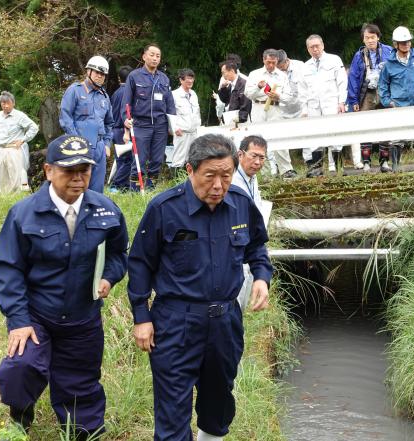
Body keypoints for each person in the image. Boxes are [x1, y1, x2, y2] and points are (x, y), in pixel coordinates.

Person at [127, 134, 272, 441]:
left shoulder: (240, 204)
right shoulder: (165, 209)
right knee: (172, 408)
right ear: (190, 170)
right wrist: (141, 316)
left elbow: (257, 247)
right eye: (210, 176)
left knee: (218, 401)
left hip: (224, 323)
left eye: (226, 175)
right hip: (175, 322)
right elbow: (139, 263)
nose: (218, 186)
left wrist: (261, 276)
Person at [0, 134, 129, 440]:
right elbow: (7, 268)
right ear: (49, 170)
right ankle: (20, 416)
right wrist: (19, 320)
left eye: (85, 170)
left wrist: (108, 276)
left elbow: (120, 253)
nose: (78, 179)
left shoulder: (106, 211)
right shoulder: (23, 213)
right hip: (38, 315)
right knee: (21, 367)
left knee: (80, 383)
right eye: (69, 171)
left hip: (83, 315)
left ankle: (80, 430)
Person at [378, 26, 414, 172]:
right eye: (403, 42)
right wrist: (387, 101)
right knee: (397, 138)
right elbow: (382, 84)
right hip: (399, 104)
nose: (406, 44)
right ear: (396, 44)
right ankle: (396, 168)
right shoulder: (389, 64)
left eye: (408, 41)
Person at [122, 44, 176, 191]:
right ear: (144, 56)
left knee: (157, 159)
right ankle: (135, 190)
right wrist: (125, 119)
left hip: (160, 125)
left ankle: (151, 189)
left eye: (158, 56)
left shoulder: (164, 78)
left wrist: (173, 125)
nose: (155, 58)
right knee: (139, 159)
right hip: (141, 124)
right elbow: (126, 101)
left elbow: (170, 103)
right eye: (152, 55)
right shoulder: (134, 76)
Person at [59, 55, 114, 193]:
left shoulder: (104, 96)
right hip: (78, 145)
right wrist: (76, 141)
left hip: (99, 147)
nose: (100, 76)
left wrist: (107, 144)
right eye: (97, 72)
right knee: (78, 187)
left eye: (103, 74)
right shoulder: (75, 90)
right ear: (88, 71)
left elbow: (109, 123)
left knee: (97, 190)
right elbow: (66, 118)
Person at [299, 34, 347, 176]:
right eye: (311, 47)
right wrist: (304, 109)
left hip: (332, 104)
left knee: (336, 135)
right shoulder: (306, 66)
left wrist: (341, 102)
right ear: (308, 49)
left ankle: (339, 169)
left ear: (322, 45)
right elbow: (302, 90)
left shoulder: (334, 60)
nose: (315, 49)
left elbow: (342, 82)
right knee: (315, 137)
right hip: (314, 106)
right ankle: (317, 170)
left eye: (317, 46)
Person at [346, 24, 392, 171]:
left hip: (385, 92)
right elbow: (353, 78)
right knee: (365, 126)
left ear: (378, 37)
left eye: (373, 37)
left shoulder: (389, 51)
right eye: (367, 38)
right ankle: (366, 161)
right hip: (367, 93)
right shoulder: (359, 55)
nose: (370, 40)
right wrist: (353, 100)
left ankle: (384, 161)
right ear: (363, 40)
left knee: (386, 125)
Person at [244, 49, 296, 179]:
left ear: (277, 61)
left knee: (279, 136)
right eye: (268, 62)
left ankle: (286, 170)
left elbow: (289, 96)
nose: (271, 65)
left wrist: (279, 96)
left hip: (275, 107)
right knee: (258, 139)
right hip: (258, 107)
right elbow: (248, 94)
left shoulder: (282, 75)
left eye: (273, 62)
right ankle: (264, 172)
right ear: (263, 60)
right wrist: (258, 87)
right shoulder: (255, 74)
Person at [232, 135, 269, 310]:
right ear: (240, 154)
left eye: (262, 158)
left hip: (251, 248)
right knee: (234, 303)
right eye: (253, 156)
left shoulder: (252, 178)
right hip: (236, 251)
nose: (257, 162)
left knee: (242, 306)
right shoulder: (231, 180)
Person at [0, 91, 38, 192]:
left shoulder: (19, 115)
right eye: (3, 103)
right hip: (2, 149)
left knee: (16, 178)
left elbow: (34, 127)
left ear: (13, 103)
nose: (5, 106)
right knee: (3, 177)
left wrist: (23, 140)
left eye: (7, 103)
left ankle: (18, 200)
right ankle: (5, 200)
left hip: (14, 149)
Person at [276, 49, 305, 178]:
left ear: (286, 61)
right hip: (282, 108)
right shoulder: (273, 72)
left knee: (305, 136)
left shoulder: (300, 66)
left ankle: (310, 164)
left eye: (281, 67)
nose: (279, 69)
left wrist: (306, 108)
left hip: (300, 107)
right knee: (280, 138)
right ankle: (285, 169)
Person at [170, 68, 201, 173]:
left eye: (192, 79)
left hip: (194, 132)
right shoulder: (174, 95)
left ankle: (189, 182)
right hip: (181, 132)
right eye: (188, 79)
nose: (190, 81)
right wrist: (175, 128)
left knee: (192, 158)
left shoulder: (194, 94)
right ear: (181, 80)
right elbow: (170, 114)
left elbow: (197, 112)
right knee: (179, 158)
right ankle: (176, 182)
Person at [109, 65, 133, 192]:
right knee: (127, 160)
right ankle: (116, 185)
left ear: (120, 78)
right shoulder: (127, 93)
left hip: (114, 129)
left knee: (120, 160)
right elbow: (127, 114)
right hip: (123, 130)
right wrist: (126, 132)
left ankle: (124, 186)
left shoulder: (116, 93)